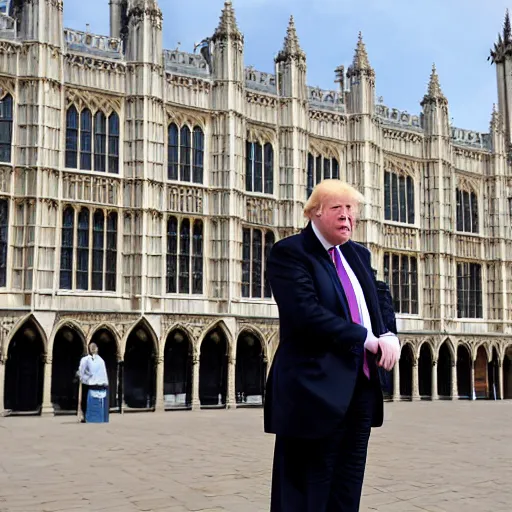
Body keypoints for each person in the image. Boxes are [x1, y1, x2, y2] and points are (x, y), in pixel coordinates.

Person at [264, 180, 401, 512]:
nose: (347, 216)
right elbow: (306, 313)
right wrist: (364, 337)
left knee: (347, 488)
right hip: (314, 391)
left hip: (360, 388)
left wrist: (389, 334)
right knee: (308, 490)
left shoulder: (357, 254)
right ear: (315, 212)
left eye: (351, 209)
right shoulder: (290, 252)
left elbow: (379, 297)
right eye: (338, 208)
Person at [78, 342, 110, 423]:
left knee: (86, 400)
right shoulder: (101, 360)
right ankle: (95, 416)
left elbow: (81, 371)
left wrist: (82, 378)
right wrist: (105, 383)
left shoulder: (87, 359)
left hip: (89, 384)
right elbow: (104, 373)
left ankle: (86, 416)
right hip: (97, 384)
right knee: (95, 400)